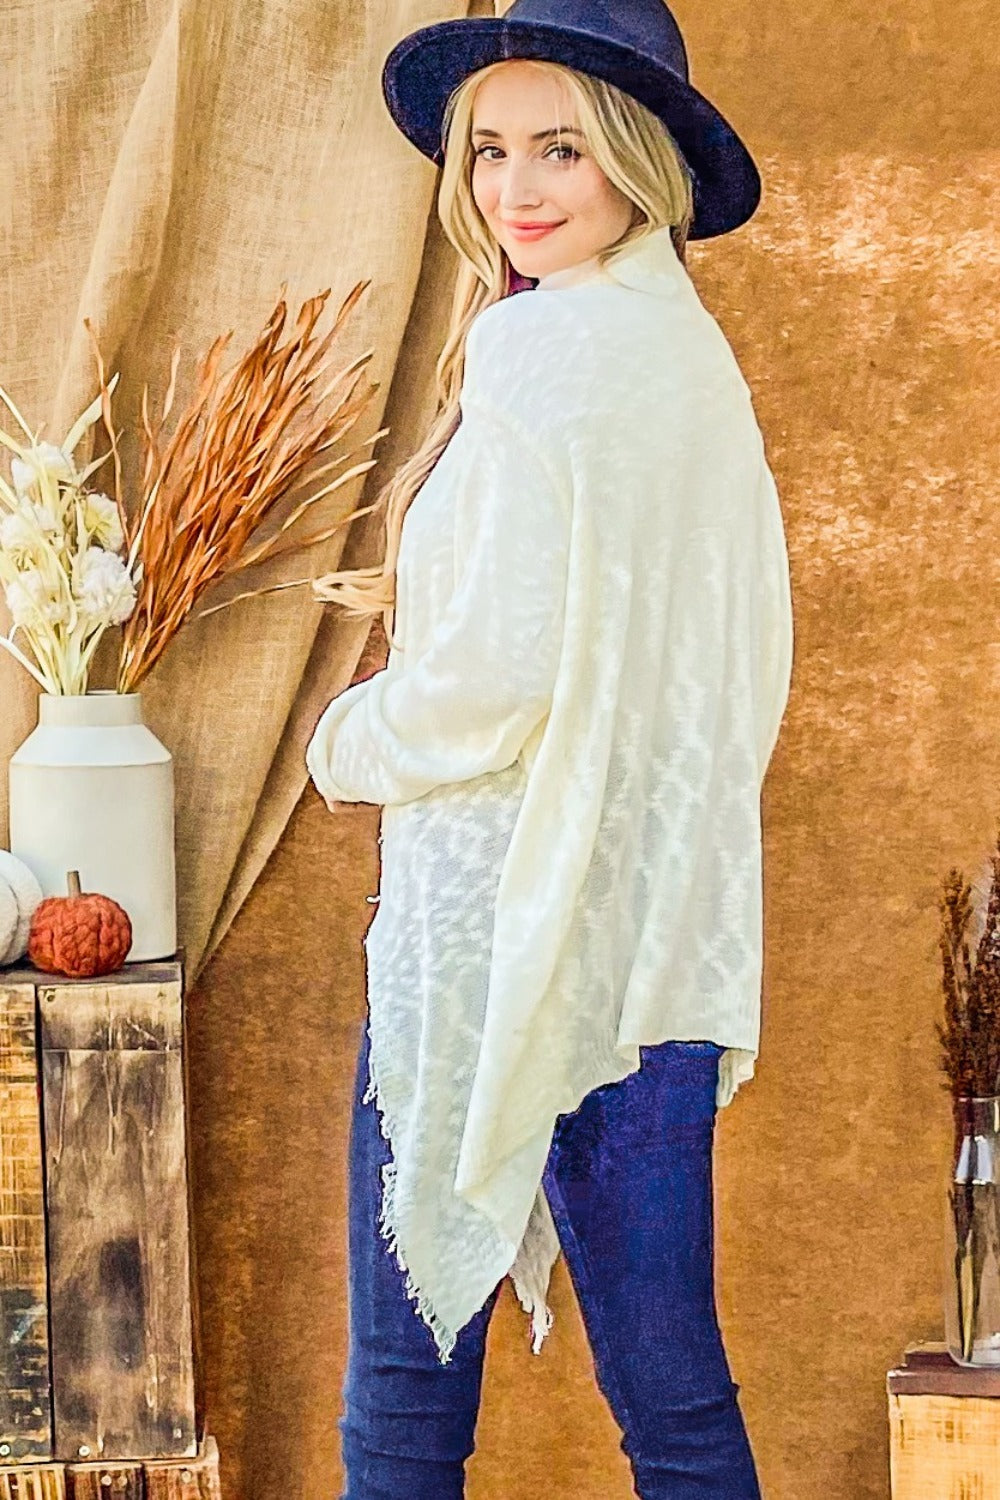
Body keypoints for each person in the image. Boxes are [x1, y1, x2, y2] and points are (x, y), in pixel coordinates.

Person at [304, 2, 794, 1495]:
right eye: (491, 149)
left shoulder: (541, 352)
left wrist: (345, 739)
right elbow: (740, 668)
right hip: (651, 949)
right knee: (676, 1400)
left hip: (496, 947)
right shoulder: (688, 363)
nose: (517, 189)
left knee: (403, 1398)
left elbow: (492, 684)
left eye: (563, 149)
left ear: (640, 159)